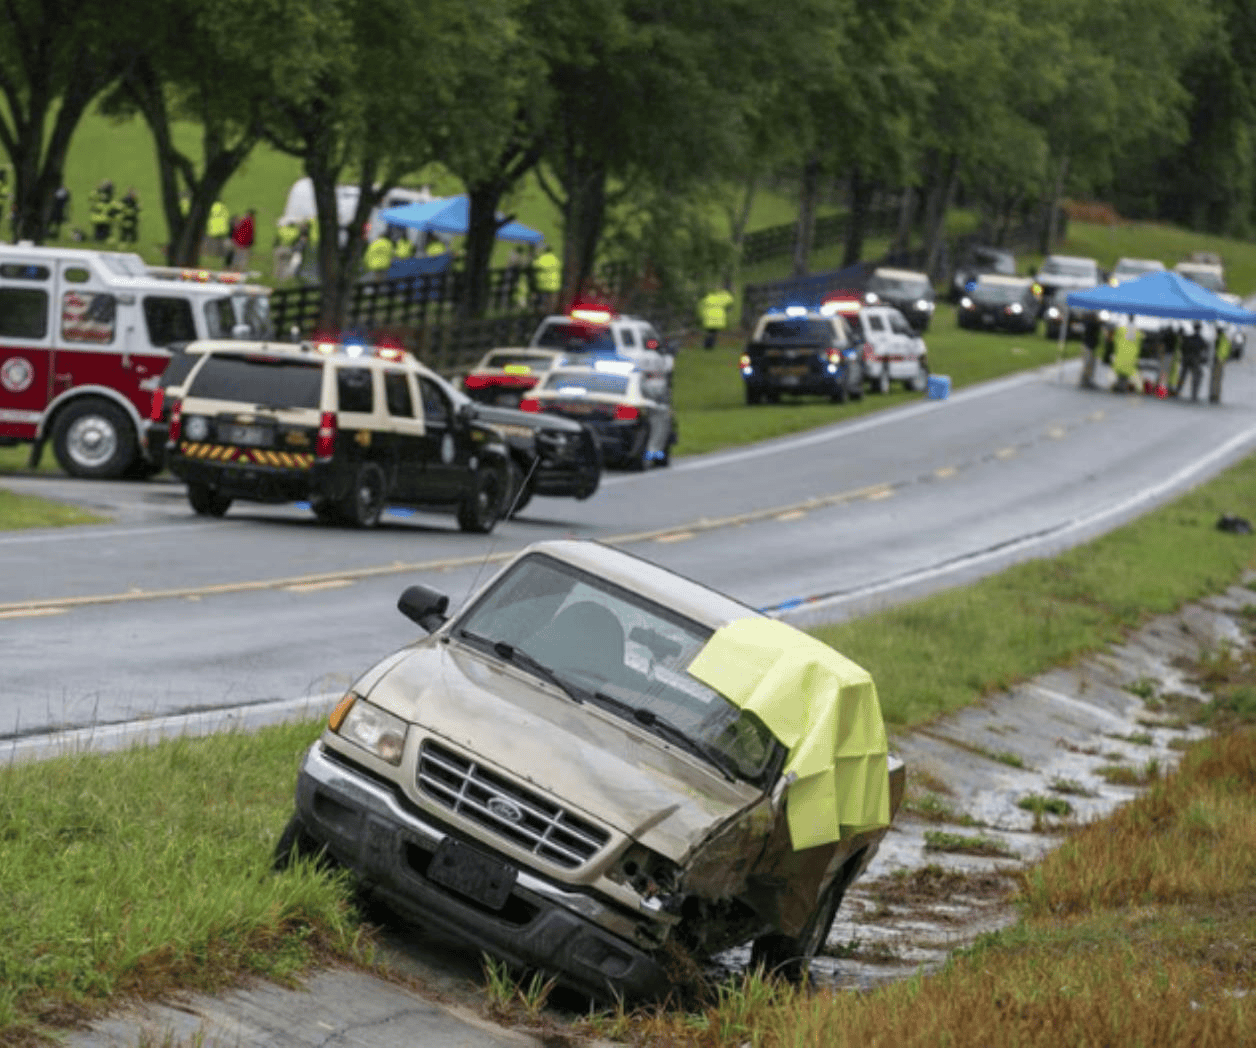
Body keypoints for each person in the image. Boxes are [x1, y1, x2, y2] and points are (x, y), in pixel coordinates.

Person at [1175, 321, 1207, 401]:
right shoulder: (1201, 340)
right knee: (1197, 376)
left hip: (1186, 358)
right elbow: (1204, 351)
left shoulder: (1188, 338)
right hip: (1195, 359)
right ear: (1200, 329)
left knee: (1182, 375)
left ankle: (1178, 390)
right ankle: (1194, 394)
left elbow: (1182, 347)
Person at [1110, 314, 1141, 393]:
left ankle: (1119, 385)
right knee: (1126, 372)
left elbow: (1116, 340)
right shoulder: (1137, 331)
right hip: (1131, 355)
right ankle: (1122, 386)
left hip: (1121, 353)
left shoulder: (1122, 329)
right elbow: (1139, 343)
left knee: (1120, 372)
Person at [531, 242, 561, 311]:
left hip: (543, 284)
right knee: (551, 301)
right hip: (554, 284)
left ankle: (542, 312)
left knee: (542, 301)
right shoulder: (555, 259)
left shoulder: (541, 258)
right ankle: (551, 311)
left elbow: (534, 266)